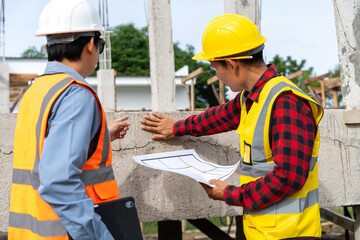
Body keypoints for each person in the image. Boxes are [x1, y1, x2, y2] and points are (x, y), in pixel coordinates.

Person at [140, 14, 323, 240]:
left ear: (231, 64)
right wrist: (176, 127)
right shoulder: (253, 97)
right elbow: (220, 116)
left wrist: (230, 194)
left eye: (216, 68)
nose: (218, 76)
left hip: (291, 233)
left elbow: (288, 178)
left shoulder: (286, 103)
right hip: (264, 230)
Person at [8, 0, 130, 239]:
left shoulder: (37, 91)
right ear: (91, 44)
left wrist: (100, 137)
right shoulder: (76, 94)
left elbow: (46, 152)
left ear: (48, 46)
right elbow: (58, 180)